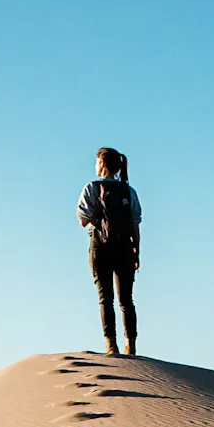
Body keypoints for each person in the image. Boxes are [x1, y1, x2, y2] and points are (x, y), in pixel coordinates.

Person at [77, 146, 141, 356]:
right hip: (124, 248)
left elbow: (83, 220)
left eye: (96, 162)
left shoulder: (91, 188)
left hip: (100, 248)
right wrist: (136, 253)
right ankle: (130, 346)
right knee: (126, 300)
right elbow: (135, 225)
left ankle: (110, 346)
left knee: (105, 298)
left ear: (102, 164)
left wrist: (97, 219)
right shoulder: (128, 191)